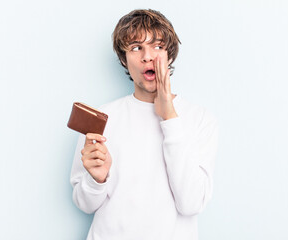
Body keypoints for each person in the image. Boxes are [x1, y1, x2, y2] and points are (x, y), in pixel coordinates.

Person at [70, 9, 218, 240]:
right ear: (123, 58)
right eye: (136, 47)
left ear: (170, 54)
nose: (148, 57)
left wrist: (169, 117)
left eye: (158, 46)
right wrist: (97, 179)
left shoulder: (199, 118)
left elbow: (191, 203)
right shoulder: (102, 118)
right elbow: (84, 203)